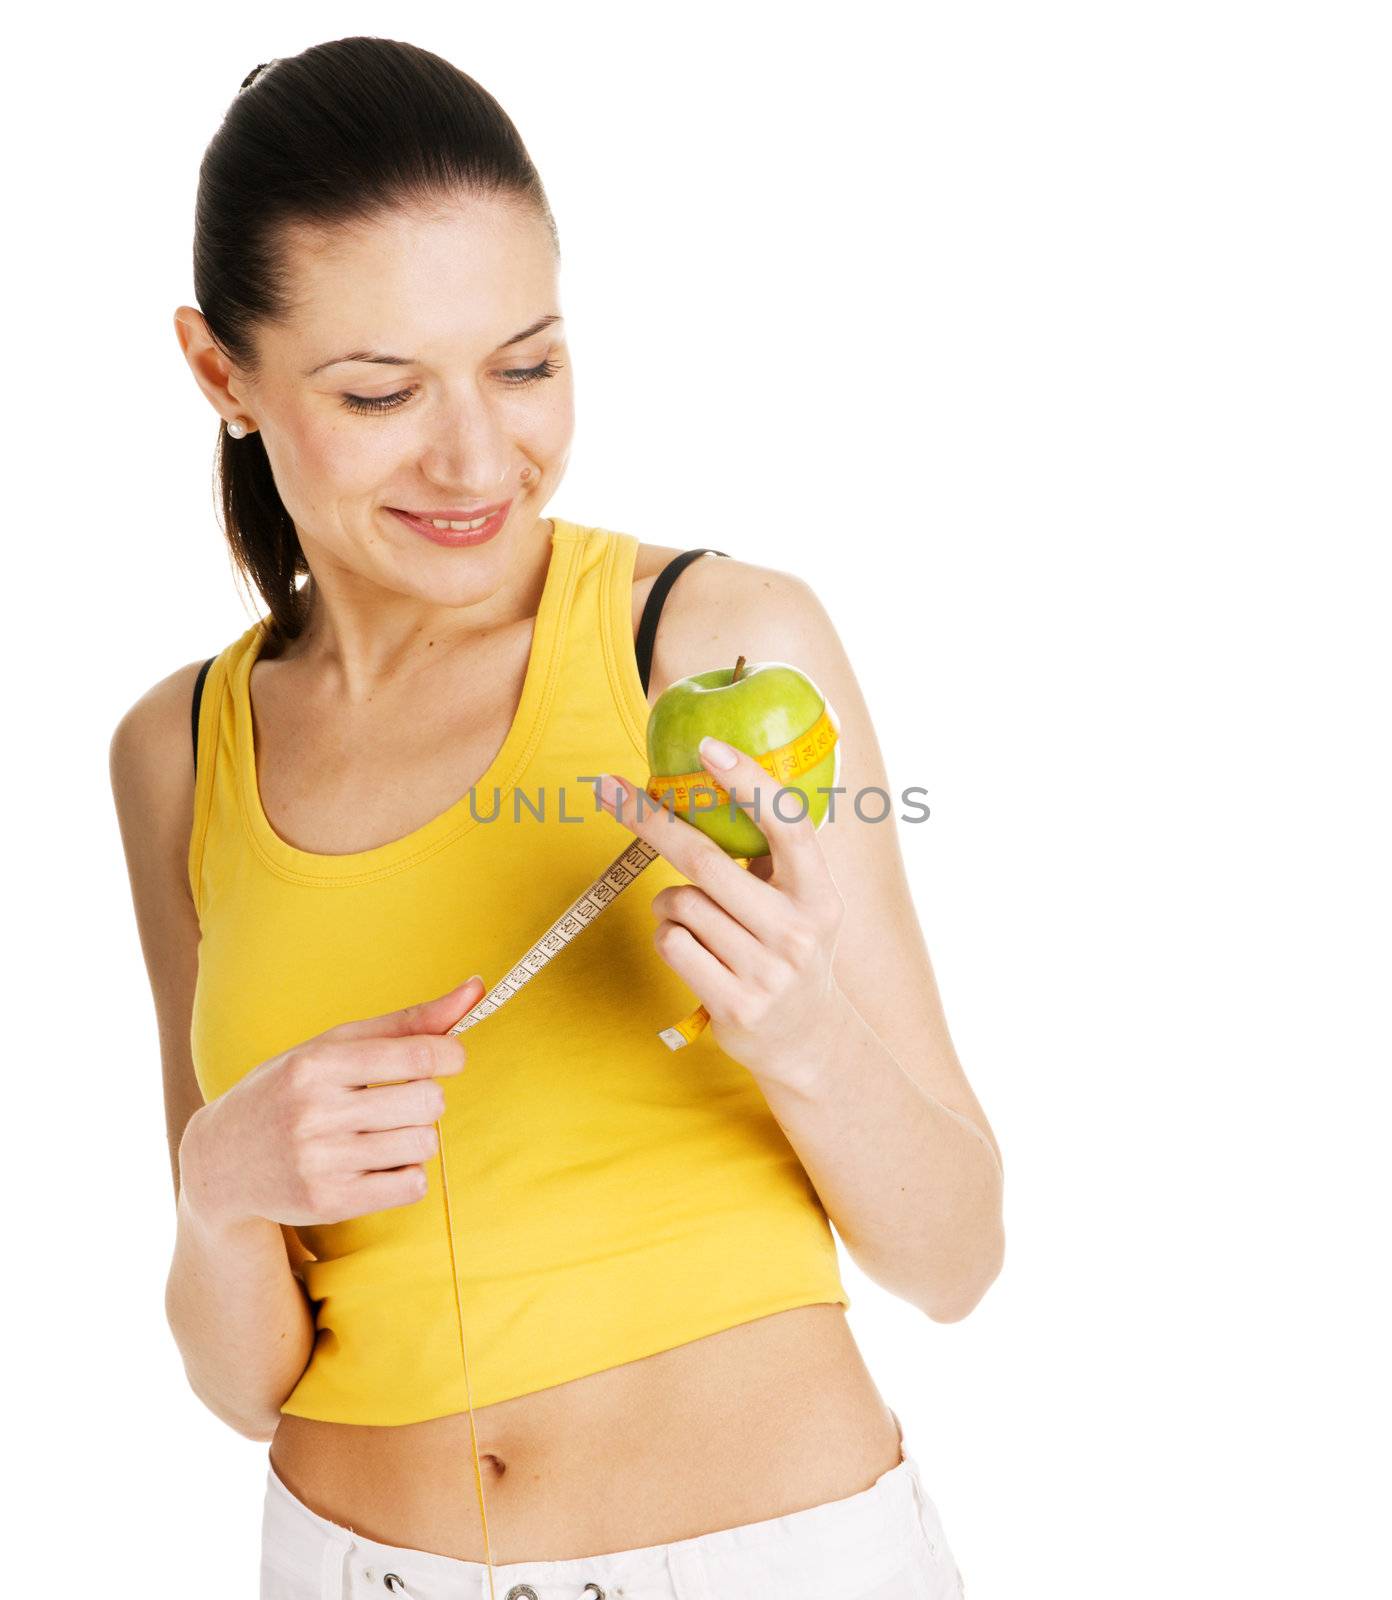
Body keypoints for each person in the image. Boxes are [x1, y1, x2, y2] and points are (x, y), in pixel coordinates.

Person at [108, 36, 1003, 1600]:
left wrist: (802, 1036)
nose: (477, 456)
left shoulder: (718, 646)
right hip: (341, 1564)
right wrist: (219, 1190)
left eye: (526, 366)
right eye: (379, 391)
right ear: (220, 375)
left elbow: (958, 1253)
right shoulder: (176, 749)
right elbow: (242, 1379)